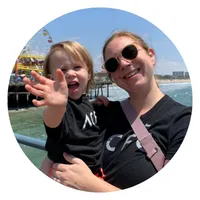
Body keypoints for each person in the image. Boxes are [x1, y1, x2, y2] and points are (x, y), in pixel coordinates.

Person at [49, 31, 192, 192]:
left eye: (129, 52)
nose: (123, 63)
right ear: (112, 76)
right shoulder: (102, 112)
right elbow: (57, 146)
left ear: (151, 55)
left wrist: (91, 185)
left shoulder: (184, 121)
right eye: (112, 64)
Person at [23, 41, 107, 180]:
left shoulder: (86, 103)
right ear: (51, 79)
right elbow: (52, 121)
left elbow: (82, 116)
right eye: (62, 70)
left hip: (94, 175)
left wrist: (97, 104)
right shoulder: (60, 108)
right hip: (67, 178)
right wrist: (56, 106)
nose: (70, 73)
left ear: (89, 73)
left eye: (77, 67)